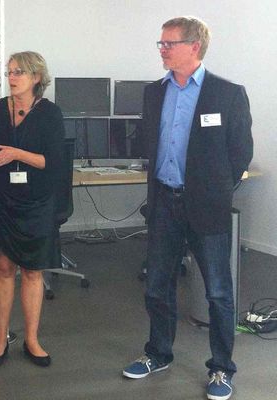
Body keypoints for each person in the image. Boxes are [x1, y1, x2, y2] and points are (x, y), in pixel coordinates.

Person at [121, 16, 253, 400]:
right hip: (164, 202)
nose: (161, 49)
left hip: (207, 207)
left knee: (217, 293)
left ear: (194, 46)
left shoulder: (227, 94)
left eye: (168, 43)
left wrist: (215, 189)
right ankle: (158, 353)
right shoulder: (154, 92)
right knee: (158, 287)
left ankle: (222, 368)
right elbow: (149, 142)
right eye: (160, 44)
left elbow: (240, 153)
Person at [0, 51, 68, 368]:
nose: (12, 77)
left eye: (19, 72)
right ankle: (1, 340)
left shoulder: (50, 114)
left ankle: (31, 339)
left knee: (32, 271)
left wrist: (16, 152)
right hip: (3, 199)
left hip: (37, 202)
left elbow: (53, 162)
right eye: (10, 71)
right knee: (3, 268)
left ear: (36, 78)